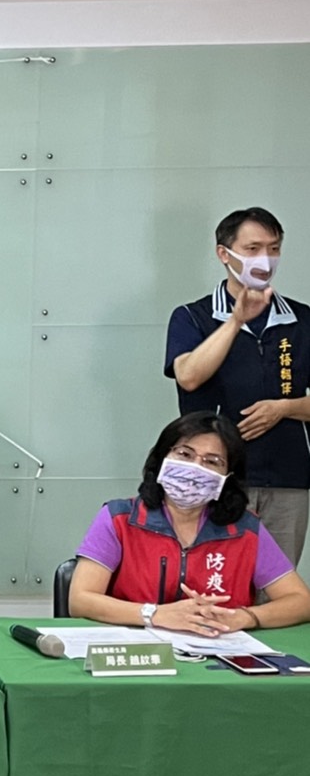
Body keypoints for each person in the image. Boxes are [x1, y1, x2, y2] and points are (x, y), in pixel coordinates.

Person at [70, 411, 310, 636]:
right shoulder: (119, 518)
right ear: (162, 458)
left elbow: (301, 602)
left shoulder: (245, 529)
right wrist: (155, 614)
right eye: (185, 454)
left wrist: (245, 617)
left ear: (227, 478)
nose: (196, 468)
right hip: (138, 649)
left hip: (217, 651)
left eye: (212, 462)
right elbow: (80, 600)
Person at [167, 206, 310, 565]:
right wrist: (235, 321)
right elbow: (188, 376)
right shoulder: (193, 316)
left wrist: (285, 408)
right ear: (224, 253)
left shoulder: (302, 319)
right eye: (253, 248)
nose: (265, 259)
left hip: (288, 477)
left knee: (276, 581)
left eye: (274, 248)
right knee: (215, 575)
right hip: (214, 473)